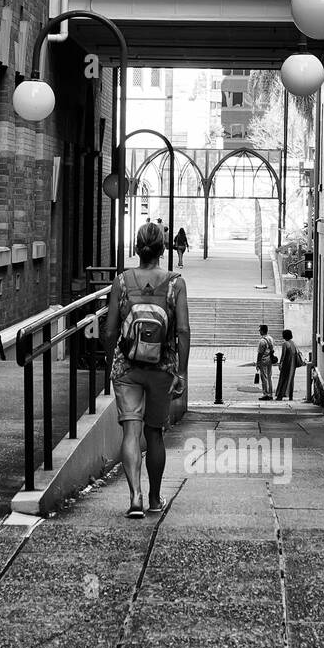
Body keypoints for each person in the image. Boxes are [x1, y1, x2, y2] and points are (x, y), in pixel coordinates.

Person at [102, 222, 190, 519]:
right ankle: (154, 498)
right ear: (163, 250)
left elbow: (110, 329)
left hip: (127, 366)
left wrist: (112, 357)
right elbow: (184, 331)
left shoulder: (122, 282)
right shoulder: (175, 283)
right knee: (154, 433)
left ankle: (134, 496)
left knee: (131, 431)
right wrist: (181, 373)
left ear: (137, 249)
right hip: (162, 368)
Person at [275, 329, 300, 400]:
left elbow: (283, 355)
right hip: (293, 364)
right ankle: (290, 396)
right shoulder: (293, 343)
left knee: (283, 379)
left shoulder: (285, 344)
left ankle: (280, 396)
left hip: (287, 364)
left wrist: (280, 364)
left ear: (284, 335)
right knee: (291, 379)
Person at [256, 324, 276, 400]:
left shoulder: (262, 341)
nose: (259, 331)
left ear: (262, 330)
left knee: (264, 377)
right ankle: (270, 394)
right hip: (270, 359)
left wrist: (258, 362)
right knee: (269, 377)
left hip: (263, 360)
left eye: (260, 330)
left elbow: (260, 353)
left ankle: (266, 394)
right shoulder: (271, 338)